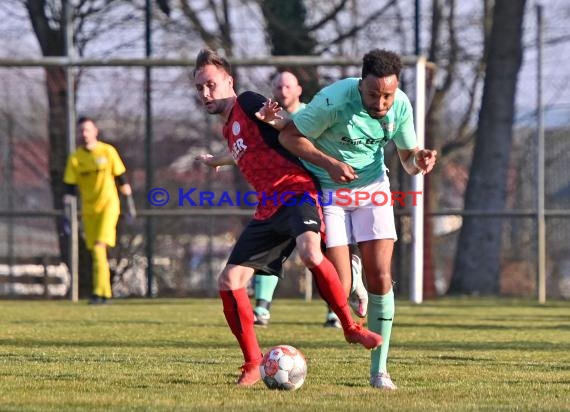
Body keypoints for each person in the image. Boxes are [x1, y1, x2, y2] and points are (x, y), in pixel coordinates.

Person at [193, 48, 382, 386]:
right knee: (229, 281)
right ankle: (252, 363)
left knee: (310, 252)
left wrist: (277, 118)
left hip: (296, 192)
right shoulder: (229, 128)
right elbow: (243, 151)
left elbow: (286, 126)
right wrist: (216, 161)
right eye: (200, 89)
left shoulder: (248, 101)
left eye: (211, 85)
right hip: (268, 208)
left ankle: (351, 328)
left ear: (229, 82)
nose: (206, 94)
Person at [279, 49, 438, 390]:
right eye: (373, 94)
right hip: (330, 190)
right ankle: (351, 276)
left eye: (387, 95)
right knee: (338, 288)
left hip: (373, 189)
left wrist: (419, 162)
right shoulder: (333, 100)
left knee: (381, 276)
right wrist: (329, 163)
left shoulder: (401, 106)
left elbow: (408, 160)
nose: (381, 103)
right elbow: (288, 136)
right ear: (360, 83)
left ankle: (379, 371)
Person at [254, 71, 368, 329]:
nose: (282, 90)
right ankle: (261, 309)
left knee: (326, 251)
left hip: (316, 190)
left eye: (287, 85)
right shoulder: (267, 118)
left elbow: (317, 138)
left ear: (298, 90)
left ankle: (335, 310)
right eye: (278, 86)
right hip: (281, 192)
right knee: (271, 244)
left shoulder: (311, 113)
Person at [63, 117, 133, 305]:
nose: (84, 134)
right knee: (96, 252)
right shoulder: (76, 158)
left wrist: (128, 202)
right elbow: (69, 187)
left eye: (87, 130)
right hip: (89, 210)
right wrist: (66, 209)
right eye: (81, 131)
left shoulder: (108, 152)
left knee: (99, 248)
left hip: (108, 207)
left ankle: (101, 293)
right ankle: (102, 293)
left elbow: (121, 178)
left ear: (95, 131)